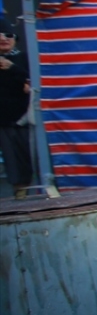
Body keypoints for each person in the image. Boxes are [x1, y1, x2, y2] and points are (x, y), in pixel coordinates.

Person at [0, 15, 33, 199]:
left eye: (8, 35)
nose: (4, 38)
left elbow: (32, 83)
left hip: (23, 121)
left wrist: (12, 68)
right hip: (4, 121)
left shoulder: (23, 59)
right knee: (13, 164)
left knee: (27, 161)